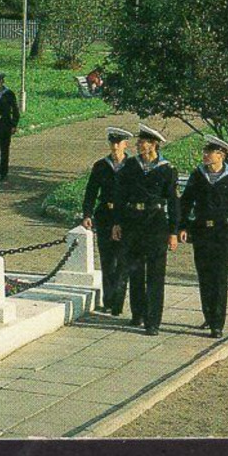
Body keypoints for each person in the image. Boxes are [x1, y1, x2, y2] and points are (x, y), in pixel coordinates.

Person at [178, 135, 228, 338]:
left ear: (221, 155)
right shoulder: (197, 175)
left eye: (209, 152)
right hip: (201, 231)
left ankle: (217, 323)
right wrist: (182, 226)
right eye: (205, 152)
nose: (205, 155)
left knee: (219, 277)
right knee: (204, 276)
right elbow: (186, 203)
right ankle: (208, 315)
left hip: (222, 233)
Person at [112, 123, 178, 335]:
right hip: (133, 221)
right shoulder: (131, 166)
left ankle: (153, 321)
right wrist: (117, 222)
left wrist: (174, 231)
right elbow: (120, 196)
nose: (138, 144)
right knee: (135, 271)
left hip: (155, 222)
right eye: (139, 141)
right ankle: (137, 313)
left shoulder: (166, 169)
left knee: (155, 274)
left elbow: (174, 201)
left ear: (153, 145)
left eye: (143, 141)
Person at [81, 127, 132, 315]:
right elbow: (91, 191)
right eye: (112, 143)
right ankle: (109, 300)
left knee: (122, 261)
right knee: (107, 260)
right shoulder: (101, 166)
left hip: (124, 217)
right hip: (105, 216)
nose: (115, 146)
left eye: (118, 143)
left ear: (125, 144)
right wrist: (87, 214)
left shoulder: (132, 166)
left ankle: (117, 302)